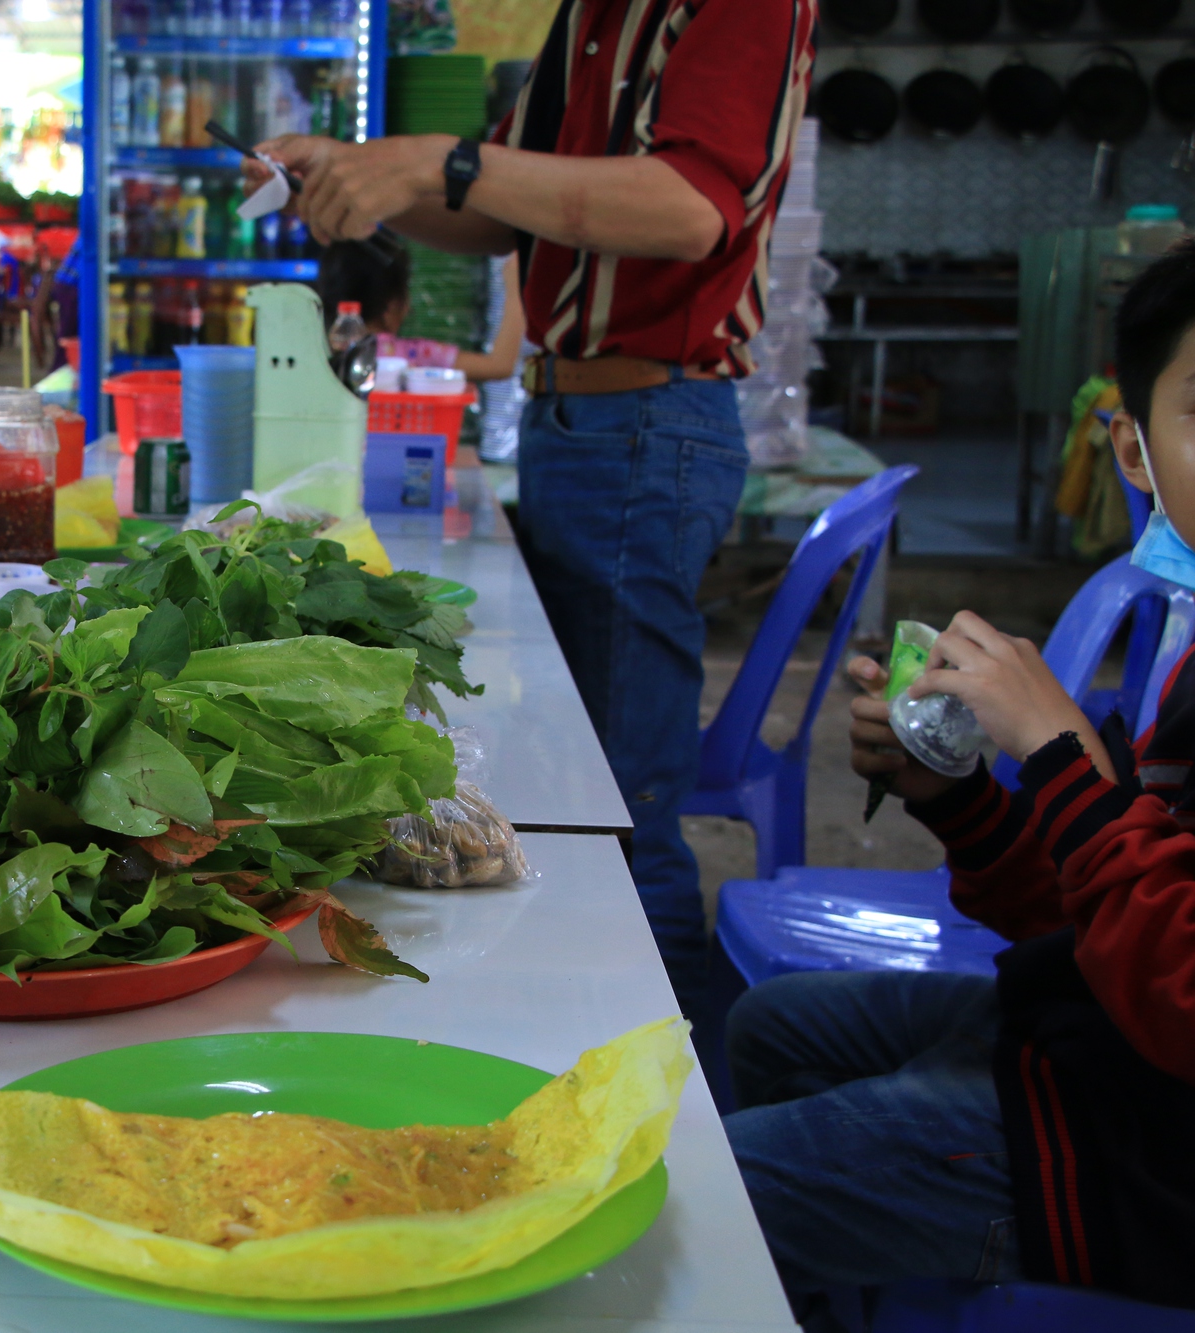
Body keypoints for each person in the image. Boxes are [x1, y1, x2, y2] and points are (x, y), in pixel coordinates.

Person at [257, 0, 815, 1009]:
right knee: (579, 775)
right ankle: (588, 1030)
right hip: (583, 423)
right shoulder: (595, 16)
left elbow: (690, 207)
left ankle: (674, 1101)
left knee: (624, 807)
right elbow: (494, 213)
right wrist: (361, 171)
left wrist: (436, 161)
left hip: (643, 424)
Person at [726, 242, 1195, 1327]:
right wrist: (959, 797)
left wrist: (1061, 760)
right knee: (771, 1030)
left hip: (1138, 1171)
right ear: (1134, 452)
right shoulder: (1181, 668)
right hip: (1092, 1061)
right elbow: (1090, 910)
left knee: (686, 1186)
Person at [315, 240, 526, 383]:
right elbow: (500, 366)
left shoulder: (316, 358)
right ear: (392, 306)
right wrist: (517, 287)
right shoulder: (414, 357)